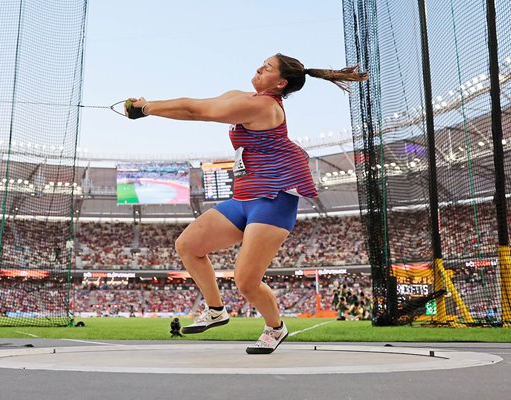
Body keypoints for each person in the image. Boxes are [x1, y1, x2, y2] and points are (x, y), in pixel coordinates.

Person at [127, 54, 367, 354]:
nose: (257, 68)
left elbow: (195, 110)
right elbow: (195, 106)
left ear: (280, 83)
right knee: (188, 246)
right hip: (243, 198)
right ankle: (215, 309)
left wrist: (147, 108)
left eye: (266, 68)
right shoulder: (242, 97)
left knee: (246, 281)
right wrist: (150, 106)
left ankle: (275, 327)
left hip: (273, 200)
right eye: (261, 64)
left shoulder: (264, 106)